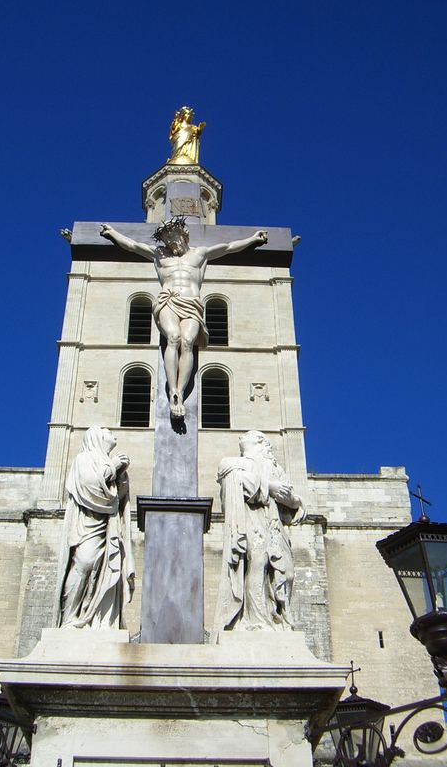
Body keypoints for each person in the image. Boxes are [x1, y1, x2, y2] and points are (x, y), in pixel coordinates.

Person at [101, 217, 268, 418]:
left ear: (184, 234)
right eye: (167, 239)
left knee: (188, 342)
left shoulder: (200, 254)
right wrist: (112, 233)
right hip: (168, 300)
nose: (171, 243)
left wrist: (252, 239)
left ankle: (181, 390)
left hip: (192, 304)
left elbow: (229, 247)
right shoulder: (158, 255)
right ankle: (172, 391)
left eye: (174, 237)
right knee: (173, 337)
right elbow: (132, 245)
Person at [213, 430, 306, 634]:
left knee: (287, 573)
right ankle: (257, 620)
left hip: (274, 525)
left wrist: (296, 501)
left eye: (250, 436)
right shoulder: (235, 464)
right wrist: (268, 487)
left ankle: (279, 618)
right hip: (251, 521)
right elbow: (234, 478)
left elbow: (290, 497)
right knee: (258, 562)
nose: (242, 438)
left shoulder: (275, 468)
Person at [57, 427, 135, 629]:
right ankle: (71, 618)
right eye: (108, 432)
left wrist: (121, 475)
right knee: (84, 563)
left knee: (104, 569)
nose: (114, 435)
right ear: (96, 437)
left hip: (107, 527)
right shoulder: (84, 459)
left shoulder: (104, 460)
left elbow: (119, 495)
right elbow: (90, 486)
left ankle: (98, 618)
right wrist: (113, 467)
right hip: (88, 524)